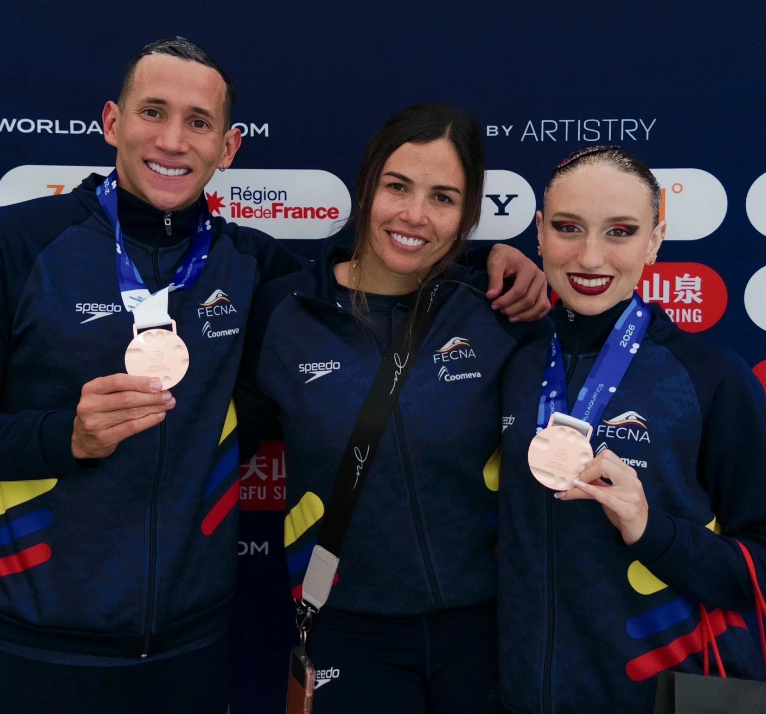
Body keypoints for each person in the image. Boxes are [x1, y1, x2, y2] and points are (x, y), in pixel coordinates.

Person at [0, 39, 549, 713]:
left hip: (188, 642)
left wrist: (487, 261)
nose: (172, 140)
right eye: (153, 112)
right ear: (112, 122)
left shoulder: (258, 271)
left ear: (228, 147)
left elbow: (381, 275)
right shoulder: (6, 246)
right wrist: (66, 437)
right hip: (33, 635)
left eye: (198, 122)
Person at [236, 104, 552, 714]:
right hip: (346, 630)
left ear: (466, 215)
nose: (414, 216)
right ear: (366, 187)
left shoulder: (498, 312)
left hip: (487, 627)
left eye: (443, 197)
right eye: (397, 187)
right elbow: (206, 450)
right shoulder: (282, 313)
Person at [495, 145, 766, 714]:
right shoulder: (509, 361)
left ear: (655, 239)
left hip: (665, 697)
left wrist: (652, 529)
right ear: (538, 233)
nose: (591, 256)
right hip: (520, 696)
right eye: (569, 227)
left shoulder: (709, 376)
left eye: (621, 231)